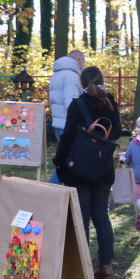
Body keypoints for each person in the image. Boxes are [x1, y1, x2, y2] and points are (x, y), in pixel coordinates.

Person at [53, 65, 122, 279]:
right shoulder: (110, 103)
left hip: (80, 169)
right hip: (103, 168)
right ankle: (106, 266)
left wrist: (59, 162)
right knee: (102, 216)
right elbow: (117, 132)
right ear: (102, 79)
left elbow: (68, 136)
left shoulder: (78, 104)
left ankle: (82, 268)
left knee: (82, 218)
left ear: (81, 83)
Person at [48, 49, 85, 184]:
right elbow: (71, 103)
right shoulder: (72, 76)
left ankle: (64, 195)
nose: (84, 66)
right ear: (79, 60)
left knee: (67, 160)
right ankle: (50, 192)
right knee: (68, 162)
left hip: (58, 123)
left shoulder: (56, 75)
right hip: (69, 126)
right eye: (83, 62)